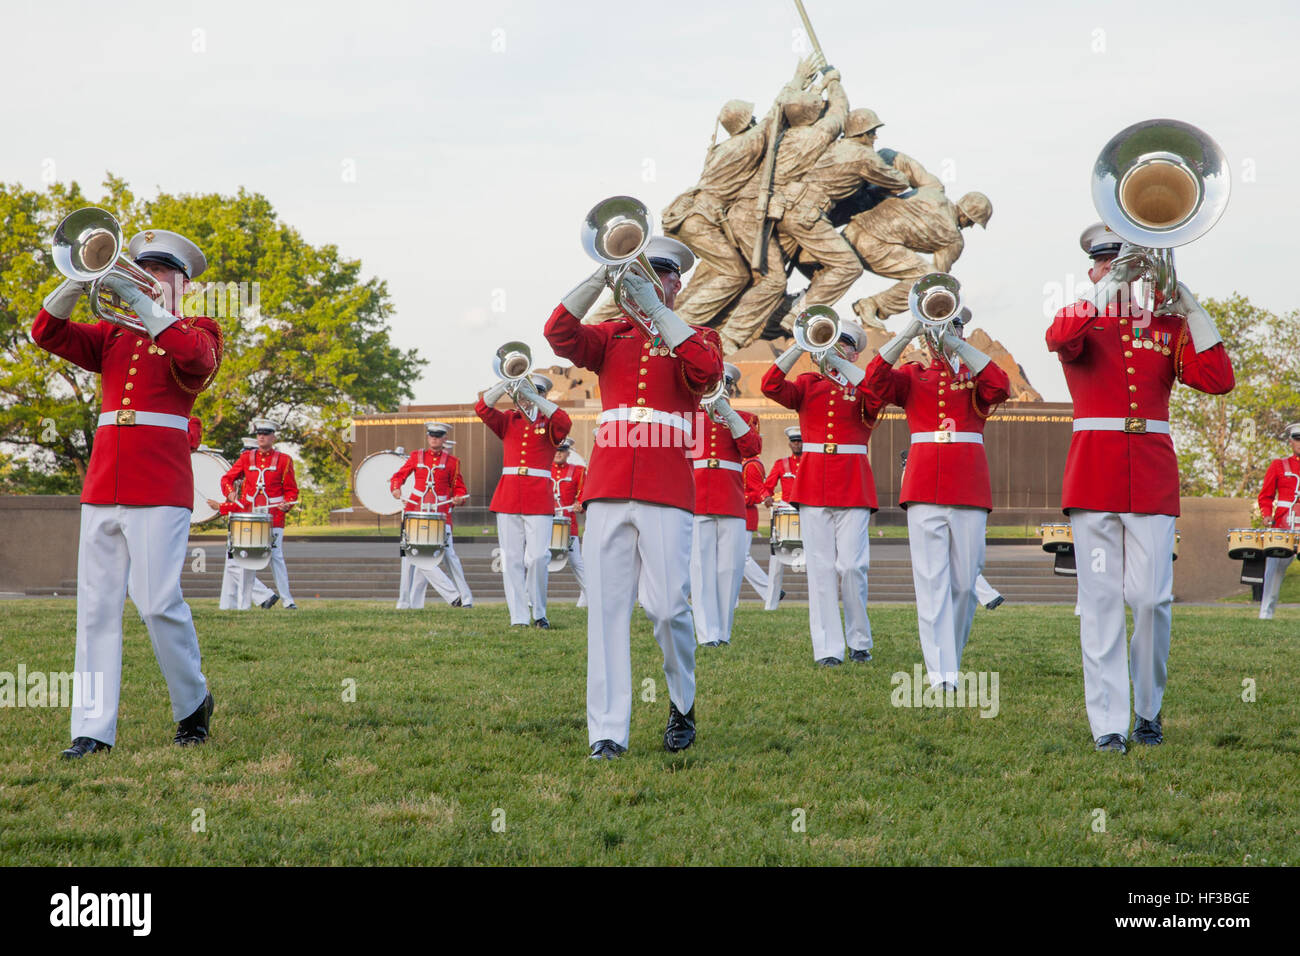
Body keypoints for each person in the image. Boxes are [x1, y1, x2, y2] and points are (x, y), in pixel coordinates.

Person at [1047, 221, 1235, 753]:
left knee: (1151, 600)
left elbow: (1219, 378)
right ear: (1093, 269)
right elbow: (1059, 338)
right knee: (1102, 600)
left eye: (1129, 261)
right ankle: (1108, 723)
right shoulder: (1083, 318)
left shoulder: (1167, 326)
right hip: (1094, 476)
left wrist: (1189, 302)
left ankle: (1148, 710)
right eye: (1109, 262)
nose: (1121, 269)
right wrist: (1107, 287)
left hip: (1151, 475)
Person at [33, 226, 220, 758]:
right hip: (104, 480)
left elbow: (197, 361)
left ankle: (193, 704)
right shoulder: (113, 334)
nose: (149, 278)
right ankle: (92, 729)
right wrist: (77, 278)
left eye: (162, 272)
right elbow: (46, 332)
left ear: (183, 284)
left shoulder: (199, 329)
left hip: (160, 485)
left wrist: (144, 299)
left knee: (158, 602)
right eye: (143, 269)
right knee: (95, 609)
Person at [545, 235, 723, 759]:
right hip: (607, 484)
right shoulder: (609, 336)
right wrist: (605, 273)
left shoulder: (698, 337)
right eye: (645, 274)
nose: (653, 282)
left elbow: (707, 375)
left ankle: (681, 703)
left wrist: (658, 313)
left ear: (676, 284)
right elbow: (557, 332)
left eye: (662, 275)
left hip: (666, 487)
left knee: (667, 608)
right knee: (606, 610)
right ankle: (607, 731)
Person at [866, 306, 1011, 690]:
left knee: (965, 583)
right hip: (924, 484)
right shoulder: (914, 374)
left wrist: (957, 346)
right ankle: (940, 676)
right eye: (942, 326)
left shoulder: (975, 373)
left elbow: (1001, 387)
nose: (948, 331)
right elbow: (873, 384)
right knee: (931, 582)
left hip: (968, 485)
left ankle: (952, 660)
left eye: (956, 325)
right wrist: (911, 328)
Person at [762, 318, 884, 665]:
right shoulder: (807, 383)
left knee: (852, 566)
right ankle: (828, 649)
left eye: (843, 343)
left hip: (852, 483)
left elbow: (878, 397)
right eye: (831, 341)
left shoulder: (862, 386)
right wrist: (801, 344)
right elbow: (770, 385)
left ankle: (859, 640)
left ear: (855, 353)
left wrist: (841, 365)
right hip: (814, 484)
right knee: (820, 568)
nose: (834, 347)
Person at [721, 67, 848, 353]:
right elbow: (840, 115)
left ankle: (759, 325)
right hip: (753, 214)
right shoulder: (812, 138)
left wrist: (805, 86)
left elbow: (778, 111)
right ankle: (728, 340)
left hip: (755, 212)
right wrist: (834, 83)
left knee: (762, 278)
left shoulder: (779, 136)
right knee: (774, 280)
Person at [845, 151, 991, 327]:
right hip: (874, 246)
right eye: (972, 223)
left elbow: (896, 158)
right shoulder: (954, 240)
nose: (970, 226)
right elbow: (935, 282)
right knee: (927, 279)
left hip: (853, 228)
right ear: (968, 219)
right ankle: (873, 304)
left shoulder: (933, 187)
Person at [476, 372, 572, 629]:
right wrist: (504, 385)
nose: (527, 400)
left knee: (539, 557)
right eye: (524, 394)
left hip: (537, 496)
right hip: (508, 495)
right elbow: (482, 407)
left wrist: (537, 400)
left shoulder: (550, 424)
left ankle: (539, 611)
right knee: (512, 559)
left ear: (543, 396)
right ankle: (519, 616)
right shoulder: (509, 420)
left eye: (534, 394)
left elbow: (564, 421)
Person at [691, 363, 762, 646]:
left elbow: (752, 448)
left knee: (729, 569)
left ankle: (723, 632)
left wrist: (728, 413)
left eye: (723, 385)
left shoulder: (743, 418)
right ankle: (707, 634)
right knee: (700, 567)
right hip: (696, 496)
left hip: (731, 497)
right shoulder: (691, 417)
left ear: (731, 389)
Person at [390, 422, 472, 610]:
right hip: (414, 512)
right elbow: (399, 475)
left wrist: (459, 498)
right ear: (427, 437)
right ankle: (406, 602)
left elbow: (459, 487)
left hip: (440, 513)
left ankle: (465, 598)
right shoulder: (416, 456)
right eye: (431, 435)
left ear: (444, 439)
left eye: (438, 435)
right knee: (409, 558)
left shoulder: (453, 462)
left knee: (449, 556)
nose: (434, 438)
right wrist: (396, 488)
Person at [220, 419, 299, 608]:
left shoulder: (284, 460)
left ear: (273, 437)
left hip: (273, 515)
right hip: (250, 514)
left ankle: (288, 601)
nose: (261, 437)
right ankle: (245, 603)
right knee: (246, 558)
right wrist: (229, 491)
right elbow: (227, 478)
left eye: (265, 434)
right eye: (259, 434)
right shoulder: (247, 458)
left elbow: (291, 490)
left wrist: (287, 504)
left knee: (276, 557)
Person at [1257, 422, 1300, 620]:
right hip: (1284, 524)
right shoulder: (1278, 465)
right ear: (1290, 442)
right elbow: (1265, 496)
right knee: (1274, 570)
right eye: (1297, 439)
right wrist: (1266, 514)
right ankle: (1266, 613)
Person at [762, 425, 803, 609]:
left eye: (800, 441)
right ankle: (770, 604)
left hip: (809, 513)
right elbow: (767, 486)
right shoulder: (782, 464)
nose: (797, 444)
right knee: (777, 560)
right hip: (786, 515)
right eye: (794, 441)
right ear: (789, 444)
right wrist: (767, 497)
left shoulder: (813, 462)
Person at [551, 438, 588, 607]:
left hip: (567, 522)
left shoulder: (578, 471)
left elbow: (584, 494)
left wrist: (580, 504)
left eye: (562, 450)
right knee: (537, 559)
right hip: (545, 521)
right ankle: (531, 598)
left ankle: (590, 595)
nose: (558, 453)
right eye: (556, 449)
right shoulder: (544, 470)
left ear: (568, 452)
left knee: (575, 561)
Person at [740, 452, 773, 601]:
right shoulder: (746, 462)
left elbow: (757, 491)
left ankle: (769, 591)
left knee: (742, 557)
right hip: (740, 513)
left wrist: (736, 496)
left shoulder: (751, 464)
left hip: (745, 514)